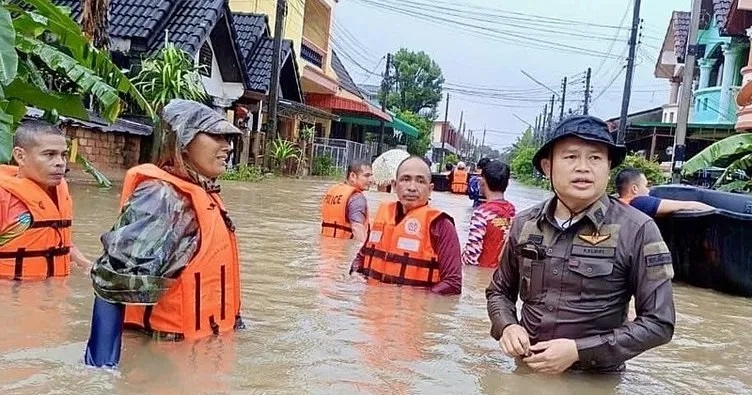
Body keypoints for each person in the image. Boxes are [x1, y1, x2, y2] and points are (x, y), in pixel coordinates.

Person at [486, 115, 675, 374]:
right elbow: (498, 292)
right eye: (571, 157)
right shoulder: (524, 224)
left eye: (595, 158)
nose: (583, 167)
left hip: (594, 381)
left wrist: (579, 351)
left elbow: (659, 323)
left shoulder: (639, 230)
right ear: (547, 166)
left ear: (609, 167)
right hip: (526, 374)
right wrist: (507, 326)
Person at [84, 99, 245, 368]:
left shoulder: (199, 195)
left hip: (198, 356)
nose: (227, 146)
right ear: (183, 142)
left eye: (228, 138)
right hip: (162, 361)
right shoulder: (163, 198)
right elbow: (113, 283)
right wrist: (102, 371)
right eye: (215, 136)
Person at [350, 156, 462, 295]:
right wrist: (355, 275)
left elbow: (453, 284)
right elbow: (360, 258)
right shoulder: (381, 217)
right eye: (405, 179)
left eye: (420, 181)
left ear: (430, 188)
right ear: (395, 185)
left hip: (413, 312)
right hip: (372, 309)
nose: (412, 188)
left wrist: (411, 300)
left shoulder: (441, 225)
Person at [0, 119, 90, 280]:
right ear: (20, 156)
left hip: (55, 297)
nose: (60, 163)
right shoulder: (3, 198)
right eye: (49, 154)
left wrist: (84, 263)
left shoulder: (60, 194)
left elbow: (59, 241)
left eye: (63, 155)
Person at [462, 161, 516, 268]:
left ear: (482, 182)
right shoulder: (513, 212)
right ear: (507, 184)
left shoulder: (481, 213)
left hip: (482, 272)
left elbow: (471, 256)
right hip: (502, 275)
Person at [615, 167, 714, 217]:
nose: (648, 190)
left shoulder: (616, 204)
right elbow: (690, 206)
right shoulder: (639, 202)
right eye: (645, 186)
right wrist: (718, 211)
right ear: (634, 189)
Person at [320, 160, 373, 242]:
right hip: (343, 251)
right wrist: (365, 250)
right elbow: (357, 228)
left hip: (324, 249)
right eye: (366, 176)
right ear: (352, 176)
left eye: (371, 176)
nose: (371, 180)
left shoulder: (333, 191)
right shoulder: (357, 198)